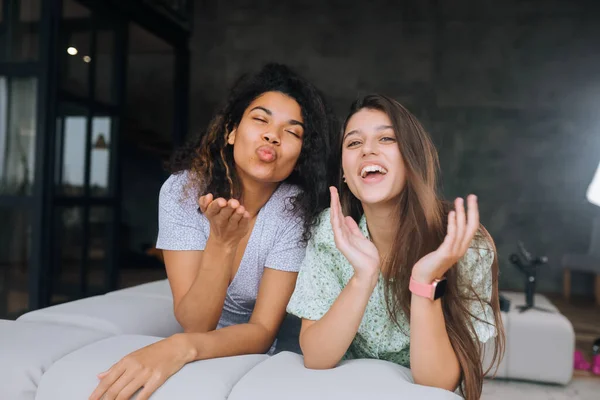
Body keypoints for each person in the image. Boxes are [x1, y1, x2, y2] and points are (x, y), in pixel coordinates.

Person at [90, 63, 337, 400]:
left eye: (292, 132)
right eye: (260, 120)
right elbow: (195, 322)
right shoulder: (183, 192)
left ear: (300, 156)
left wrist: (180, 348)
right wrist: (221, 244)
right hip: (209, 335)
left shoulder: (295, 208)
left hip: (280, 342)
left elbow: (264, 331)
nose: (272, 135)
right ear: (231, 131)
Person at [286, 94, 505, 400]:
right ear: (346, 175)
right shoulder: (329, 232)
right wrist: (363, 278)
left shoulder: (466, 246)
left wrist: (425, 282)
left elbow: (437, 383)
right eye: (353, 143)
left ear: (412, 158)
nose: (368, 150)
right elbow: (316, 357)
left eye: (386, 138)